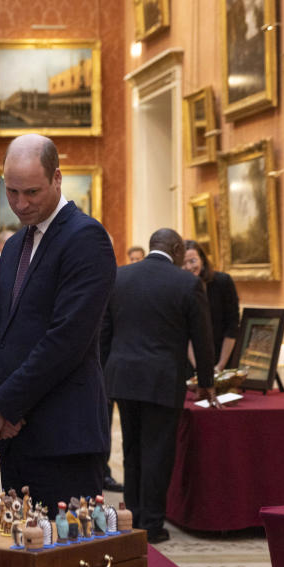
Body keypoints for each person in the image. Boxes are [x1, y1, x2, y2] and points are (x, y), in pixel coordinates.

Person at [0, 134, 117, 514]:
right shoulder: (15, 245)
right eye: (12, 192)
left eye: (32, 192)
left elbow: (66, 341)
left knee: (67, 556)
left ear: (57, 178)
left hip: (63, 436)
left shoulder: (86, 238)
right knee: (22, 551)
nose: (20, 204)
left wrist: (4, 404)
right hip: (15, 435)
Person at [102, 229, 216, 544]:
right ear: (177, 249)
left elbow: (105, 333)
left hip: (122, 377)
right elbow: (202, 340)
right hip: (163, 379)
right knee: (158, 451)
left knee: (132, 449)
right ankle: (152, 523)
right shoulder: (187, 283)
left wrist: (103, 375)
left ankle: (134, 516)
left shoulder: (119, 277)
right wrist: (207, 382)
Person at [184, 240, 240, 371]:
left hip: (224, 356)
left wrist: (220, 365)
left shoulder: (223, 282)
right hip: (191, 361)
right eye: (183, 263)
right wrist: (199, 369)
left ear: (202, 260)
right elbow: (184, 332)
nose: (188, 267)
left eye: (192, 261)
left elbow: (232, 325)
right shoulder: (179, 288)